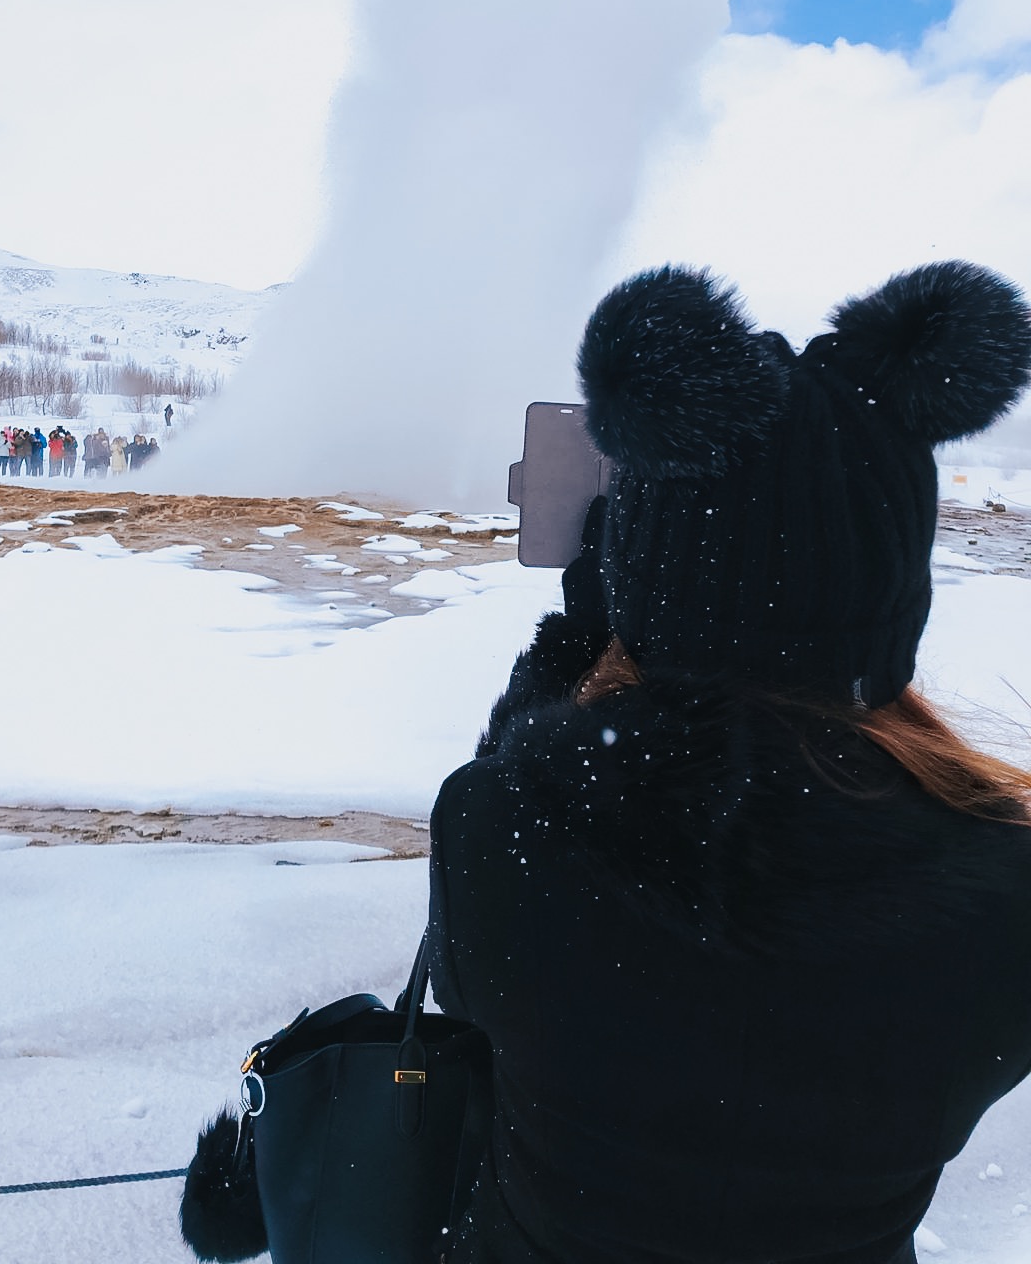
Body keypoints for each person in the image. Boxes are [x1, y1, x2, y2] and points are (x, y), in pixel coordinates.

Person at [427, 262, 1031, 1264]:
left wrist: (581, 652)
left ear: (642, 569)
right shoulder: (1006, 894)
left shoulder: (510, 831)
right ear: (889, 578)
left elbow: (466, 983)